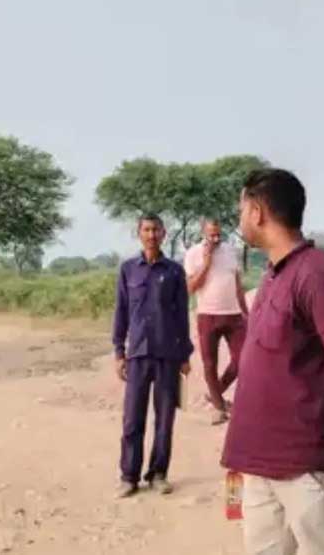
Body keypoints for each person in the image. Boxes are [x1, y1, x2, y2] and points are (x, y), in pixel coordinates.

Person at [221, 168, 324, 555]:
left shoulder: (316, 274)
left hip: (304, 463)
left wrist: (307, 405)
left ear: (257, 212)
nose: (241, 219)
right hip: (258, 461)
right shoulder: (275, 275)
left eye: (242, 210)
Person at [112, 213, 194, 498]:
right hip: (137, 355)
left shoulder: (174, 271)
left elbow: (181, 315)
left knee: (165, 419)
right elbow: (121, 312)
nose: (151, 235)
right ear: (139, 233)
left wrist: (185, 354)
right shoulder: (128, 270)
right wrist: (119, 352)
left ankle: (158, 474)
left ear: (163, 234)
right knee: (132, 419)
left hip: (167, 354)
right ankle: (129, 477)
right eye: (146, 230)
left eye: (156, 230)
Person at [183, 218, 250, 425]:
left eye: (218, 234)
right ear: (203, 233)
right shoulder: (193, 254)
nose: (215, 238)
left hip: (233, 314)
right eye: (211, 234)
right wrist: (207, 263)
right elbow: (191, 288)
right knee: (209, 364)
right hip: (207, 315)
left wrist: (246, 313)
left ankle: (216, 393)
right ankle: (219, 408)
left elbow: (237, 284)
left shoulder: (230, 251)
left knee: (243, 360)